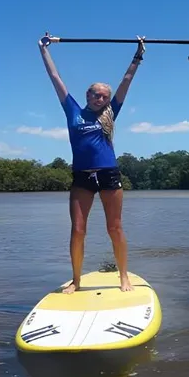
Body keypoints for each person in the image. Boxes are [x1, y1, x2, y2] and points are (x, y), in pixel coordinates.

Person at [37, 31, 146, 294]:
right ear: (88, 95)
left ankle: (123, 277)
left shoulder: (110, 113)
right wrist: (44, 50)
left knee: (114, 227)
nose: (100, 99)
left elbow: (127, 80)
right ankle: (76, 279)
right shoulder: (72, 110)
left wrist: (138, 55)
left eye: (104, 97)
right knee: (78, 229)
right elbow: (55, 78)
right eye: (96, 95)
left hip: (108, 174)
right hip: (82, 176)